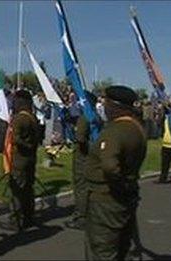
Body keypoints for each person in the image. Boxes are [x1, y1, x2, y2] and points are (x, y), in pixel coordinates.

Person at [84, 85, 147, 260]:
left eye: (106, 103)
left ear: (114, 106)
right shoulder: (136, 128)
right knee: (122, 248)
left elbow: (110, 166)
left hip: (106, 198)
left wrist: (119, 185)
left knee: (102, 250)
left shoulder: (115, 130)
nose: (103, 107)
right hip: (124, 197)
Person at [0, 90, 39, 232]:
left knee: (17, 191)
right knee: (28, 189)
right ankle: (29, 217)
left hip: (19, 160)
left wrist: (12, 140)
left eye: (15, 101)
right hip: (30, 159)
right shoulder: (32, 117)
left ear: (21, 102)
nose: (13, 103)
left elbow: (15, 139)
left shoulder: (19, 119)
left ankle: (15, 220)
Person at [65, 91, 98, 230]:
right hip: (91, 157)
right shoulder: (94, 116)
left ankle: (81, 217)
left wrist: (73, 131)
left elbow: (80, 138)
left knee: (81, 188)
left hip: (82, 157)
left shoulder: (85, 118)